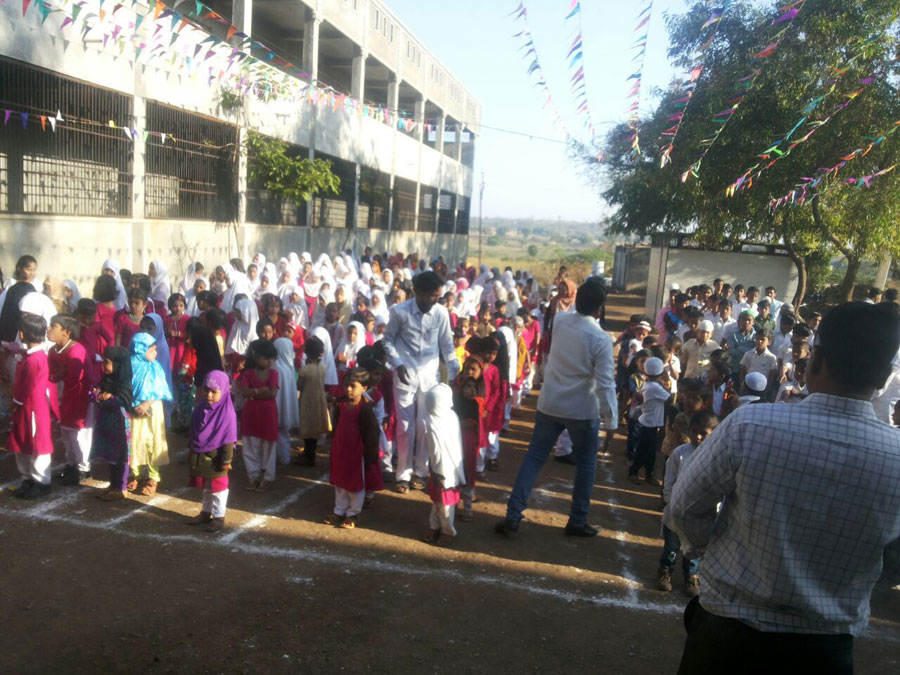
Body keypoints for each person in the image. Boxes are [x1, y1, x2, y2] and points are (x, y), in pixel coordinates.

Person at [666, 302, 900, 674]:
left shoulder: (750, 425)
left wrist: (707, 551)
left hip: (729, 632)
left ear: (815, 360)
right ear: (886, 376)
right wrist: (847, 589)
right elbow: (894, 562)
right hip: (825, 647)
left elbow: (683, 507)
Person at [496, 278, 616, 537]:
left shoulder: (561, 321)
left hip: (550, 403)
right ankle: (578, 520)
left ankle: (513, 514)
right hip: (582, 409)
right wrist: (612, 421)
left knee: (534, 457)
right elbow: (606, 383)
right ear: (600, 308)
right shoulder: (601, 339)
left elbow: (566, 316)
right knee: (586, 463)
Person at [382, 271, 459, 493]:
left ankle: (421, 472)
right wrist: (398, 364)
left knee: (425, 426)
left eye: (438, 296)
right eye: (433, 295)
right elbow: (387, 341)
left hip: (430, 378)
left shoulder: (441, 313)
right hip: (404, 376)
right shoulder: (399, 312)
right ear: (420, 293)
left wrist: (454, 373)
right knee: (405, 427)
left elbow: (447, 345)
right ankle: (403, 474)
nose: (436, 300)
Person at [658, 411, 718, 597]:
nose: (698, 437)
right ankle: (665, 570)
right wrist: (671, 501)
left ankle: (691, 575)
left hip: (701, 515)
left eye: (704, 433)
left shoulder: (716, 457)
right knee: (672, 546)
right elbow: (669, 479)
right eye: (694, 431)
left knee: (694, 548)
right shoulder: (680, 453)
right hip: (677, 512)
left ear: (714, 433)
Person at [324, 368, 380, 530]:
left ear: (364, 388)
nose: (348, 389)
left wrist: (370, 455)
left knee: (355, 483)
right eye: (346, 385)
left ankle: (353, 512)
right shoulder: (340, 404)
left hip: (356, 453)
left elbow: (372, 434)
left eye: (353, 386)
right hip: (340, 449)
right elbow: (336, 425)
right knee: (340, 481)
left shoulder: (365, 409)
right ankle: (339, 510)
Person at [8, 315, 54, 499]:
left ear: (22, 334)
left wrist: (15, 402)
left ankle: (41, 482)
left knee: (36, 445)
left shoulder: (34, 359)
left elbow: (26, 386)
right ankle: (28, 479)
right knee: (22, 440)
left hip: (32, 408)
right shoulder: (33, 356)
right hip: (28, 407)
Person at [187, 370, 237, 533]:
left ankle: (219, 516)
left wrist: (226, 460)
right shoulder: (200, 409)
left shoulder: (226, 413)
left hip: (217, 459)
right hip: (201, 455)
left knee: (219, 488)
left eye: (214, 391)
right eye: (206, 390)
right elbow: (194, 431)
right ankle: (206, 512)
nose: (209, 395)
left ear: (224, 391)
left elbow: (228, 438)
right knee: (206, 486)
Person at [47, 314, 92, 485]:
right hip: (67, 395)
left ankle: (84, 468)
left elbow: (74, 378)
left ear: (66, 332)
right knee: (66, 432)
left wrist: (60, 373)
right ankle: (72, 464)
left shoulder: (76, 350)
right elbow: (52, 375)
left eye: (53, 326)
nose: (48, 329)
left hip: (81, 397)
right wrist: (61, 372)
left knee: (79, 434)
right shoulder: (54, 350)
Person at [422, 383, 467, 546]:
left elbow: (447, 447)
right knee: (438, 500)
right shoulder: (433, 419)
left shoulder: (449, 418)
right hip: (440, 468)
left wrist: (441, 472)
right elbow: (433, 449)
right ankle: (434, 526)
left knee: (445, 503)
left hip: (447, 469)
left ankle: (448, 530)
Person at [128, 332, 172, 496]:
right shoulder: (129, 366)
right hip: (134, 411)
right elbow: (126, 388)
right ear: (139, 350)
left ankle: (153, 476)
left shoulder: (155, 367)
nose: (156, 353)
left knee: (152, 442)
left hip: (152, 411)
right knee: (134, 441)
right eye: (151, 350)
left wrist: (146, 404)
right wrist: (134, 406)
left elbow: (161, 389)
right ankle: (135, 474)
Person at [90, 346, 133, 501]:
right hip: (107, 423)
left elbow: (123, 401)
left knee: (121, 456)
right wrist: (100, 396)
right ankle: (113, 485)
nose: (103, 366)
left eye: (106, 362)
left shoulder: (125, 382)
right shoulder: (106, 380)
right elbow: (92, 394)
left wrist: (104, 398)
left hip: (120, 424)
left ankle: (121, 488)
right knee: (111, 456)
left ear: (118, 363)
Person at [236, 339, 279, 491]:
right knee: (250, 445)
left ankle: (267, 478)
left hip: (266, 413)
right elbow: (244, 392)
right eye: (266, 358)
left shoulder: (273, 373)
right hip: (253, 413)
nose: (269, 361)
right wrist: (261, 390)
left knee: (269, 446)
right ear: (256, 357)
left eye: (271, 358)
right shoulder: (247, 373)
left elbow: (272, 393)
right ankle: (253, 477)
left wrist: (253, 392)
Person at [628, 357, 672, 485]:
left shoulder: (648, 384)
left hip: (649, 422)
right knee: (645, 451)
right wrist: (664, 383)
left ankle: (649, 474)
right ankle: (634, 472)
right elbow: (669, 397)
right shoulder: (655, 387)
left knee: (650, 451)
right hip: (649, 424)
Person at [297, 336, 330, 467]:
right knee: (315, 429)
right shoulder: (323, 367)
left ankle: (309, 456)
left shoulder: (304, 370)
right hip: (320, 400)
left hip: (307, 401)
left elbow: (299, 386)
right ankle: (310, 454)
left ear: (306, 352)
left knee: (307, 428)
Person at [273, 337, 300, 465]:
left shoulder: (276, 368)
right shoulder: (288, 369)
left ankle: (279, 458)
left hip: (277, 406)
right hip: (285, 407)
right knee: (284, 434)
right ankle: (284, 458)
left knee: (278, 434)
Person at [0, 255, 38, 342]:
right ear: (19, 268)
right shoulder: (11, 286)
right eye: (28, 269)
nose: (31, 273)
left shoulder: (34, 286)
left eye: (34, 270)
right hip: (11, 327)